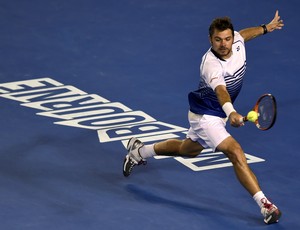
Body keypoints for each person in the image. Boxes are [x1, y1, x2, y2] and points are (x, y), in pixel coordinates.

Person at [122, 10, 284, 224]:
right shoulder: (211, 64)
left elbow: (244, 34)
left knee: (186, 150)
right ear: (210, 40)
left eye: (227, 38)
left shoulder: (237, 40)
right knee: (235, 152)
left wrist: (265, 28)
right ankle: (266, 206)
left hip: (214, 114)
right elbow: (221, 91)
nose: (224, 44)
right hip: (206, 115)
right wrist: (231, 112)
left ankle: (139, 151)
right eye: (218, 40)